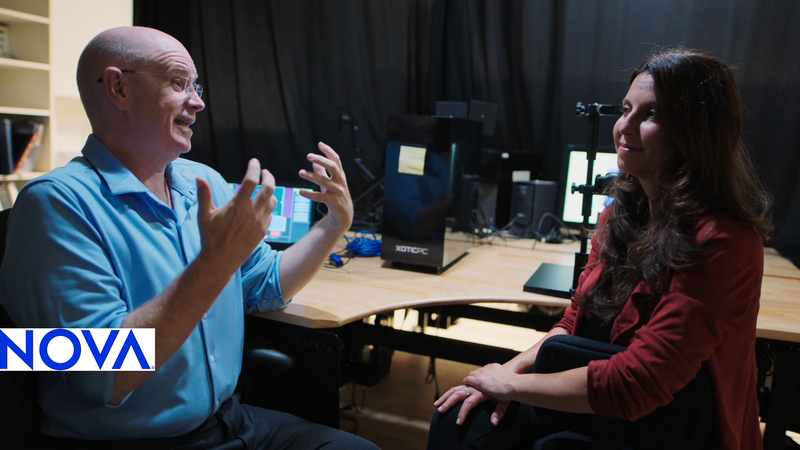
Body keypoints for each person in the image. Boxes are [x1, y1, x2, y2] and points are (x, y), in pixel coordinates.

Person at [0, 26, 379, 450]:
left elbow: (266, 285)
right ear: (119, 88)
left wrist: (333, 224)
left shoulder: (203, 182)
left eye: (196, 87)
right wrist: (214, 264)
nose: (197, 102)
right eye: (179, 83)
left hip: (228, 421)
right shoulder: (55, 204)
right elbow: (104, 374)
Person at [427, 48, 772, 450]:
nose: (625, 126)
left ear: (698, 132)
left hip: (671, 426)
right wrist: (504, 373)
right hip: (611, 407)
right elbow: (574, 320)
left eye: (652, 114)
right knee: (456, 420)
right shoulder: (620, 215)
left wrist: (513, 385)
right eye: (626, 109)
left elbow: (641, 382)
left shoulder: (725, 241)